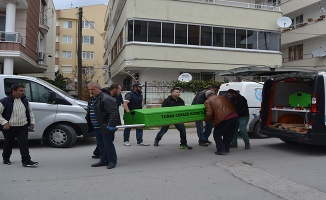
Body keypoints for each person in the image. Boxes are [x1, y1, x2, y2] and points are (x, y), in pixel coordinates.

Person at [0, 84, 38, 167]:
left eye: (23, 91)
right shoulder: (4, 101)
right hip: (9, 127)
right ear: (13, 91)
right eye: (21, 91)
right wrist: (4, 123)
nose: (23, 92)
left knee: (24, 143)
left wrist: (32, 121)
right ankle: (6, 158)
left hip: (22, 126)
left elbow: (29, 111)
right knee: (9, 143)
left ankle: (26, 161)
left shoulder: (24, 101)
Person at [86, 82, 121, 169]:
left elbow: (113, 113)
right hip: (97, 126)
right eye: (89, 89)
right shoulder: (92, 99)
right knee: (100, 144)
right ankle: (104, 160)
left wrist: (111, 125)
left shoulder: (106, 98)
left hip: (105, 126)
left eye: (93, 89)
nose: (91, 91)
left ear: (99, 89)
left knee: (108, 144)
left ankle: (112, 161)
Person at [92, 84, 123, 159]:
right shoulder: (104, 97)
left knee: (107, 141)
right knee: (105, 142)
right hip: (104, 123)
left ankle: (104, 156)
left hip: (109, 122)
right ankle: (102, 156)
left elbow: (115, 111)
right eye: (119, 89)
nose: (120, 91)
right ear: (115, 89)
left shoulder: (115, 96)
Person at [204, 90, 238, 155]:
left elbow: (209, 113)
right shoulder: (223, 97)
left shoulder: (208, 101)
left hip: (223, 118)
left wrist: (206, 120)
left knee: (217, 134)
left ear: (207, 96)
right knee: (228, 134)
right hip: (234, 116)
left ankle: (221, 150)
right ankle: (226, 149)